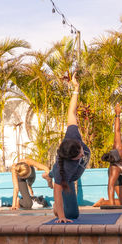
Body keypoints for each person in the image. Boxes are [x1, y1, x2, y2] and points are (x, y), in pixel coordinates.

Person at [44, 75, 90, 222]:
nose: (82, 153)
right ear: (71, 158)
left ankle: (48, 174)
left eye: (81, 150)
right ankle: (50, 175)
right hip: (67, 177)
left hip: (61, 168)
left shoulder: (72, 134)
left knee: (55, 170)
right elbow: (57, 193)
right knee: (72, 215)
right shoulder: (64, 170)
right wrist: (61, 216)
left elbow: (71, 112)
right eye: (79, 155)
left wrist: (76, 89)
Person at [94, 103, 122, 207]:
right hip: (119, 176)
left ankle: (104, 202)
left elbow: (117, 130)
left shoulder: (118, 146)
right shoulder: (115, 168)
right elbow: (110, 186)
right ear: (118, 161)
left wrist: (117, 114)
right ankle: (105, 202)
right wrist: (111, 206)